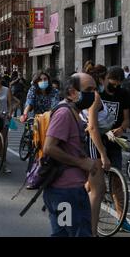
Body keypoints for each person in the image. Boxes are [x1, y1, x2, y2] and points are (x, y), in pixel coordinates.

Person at [43, 73, 99, 237]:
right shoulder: (64, 114)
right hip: (66, 192)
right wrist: (81, 163)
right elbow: (49, 148)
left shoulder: (75, 112)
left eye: (95, 89)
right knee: (78, 233)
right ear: (71, 92)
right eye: (88, 89)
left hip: (66, 190)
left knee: (62, 234)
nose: (93, 94)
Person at [100, 66, 130, 232]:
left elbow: (127, 120)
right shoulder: (98, 93)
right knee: (95, 180)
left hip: (115, 141)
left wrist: (120, 128)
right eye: (113, 83)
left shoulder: (124, 94)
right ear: (106, 78)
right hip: (97, 141)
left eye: (118, 84)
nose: (115, 86)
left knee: (117, 183)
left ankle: (122, 219)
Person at [82, 64, 113, 236]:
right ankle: (92, 232)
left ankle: (73, 204)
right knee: (98, 190)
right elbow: (92, 127)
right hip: (91, 143)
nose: (108, 81)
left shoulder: (85, 94)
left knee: (89, 186)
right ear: (100, 79)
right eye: (106, 78)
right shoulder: (94, 96)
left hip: (86, 141)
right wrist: (103, 155)